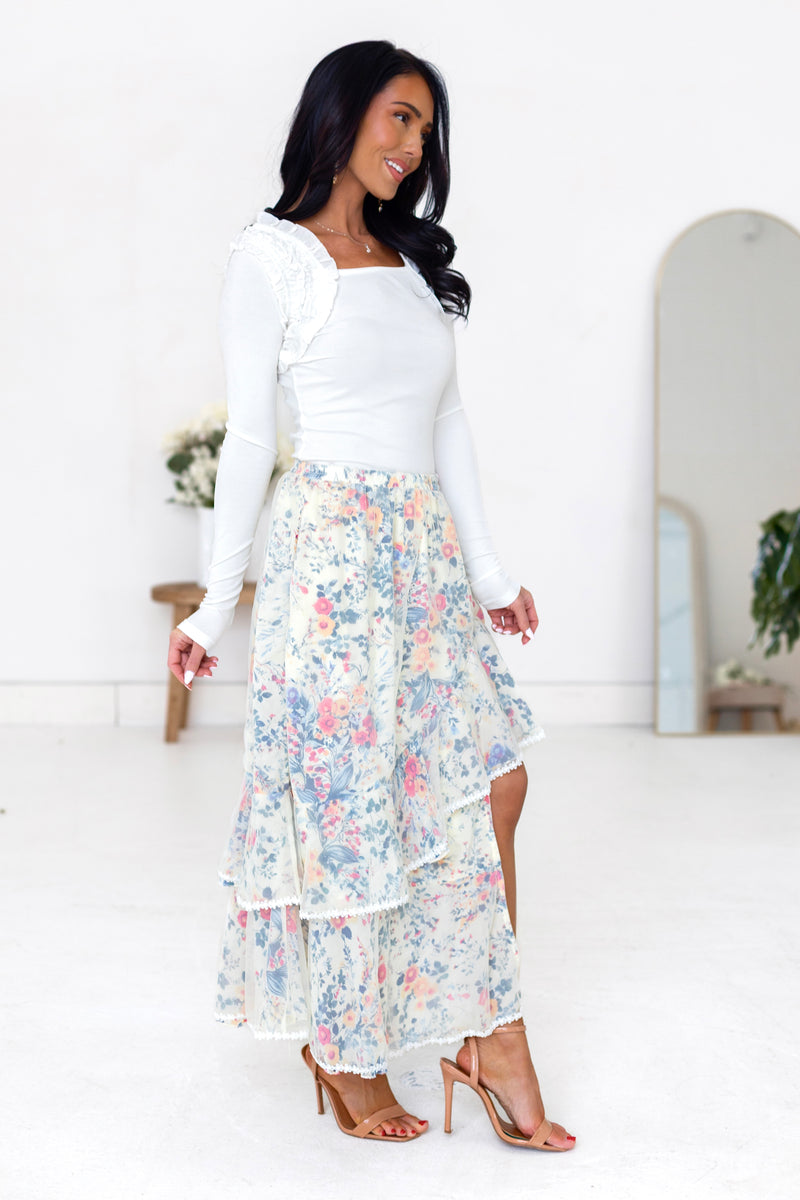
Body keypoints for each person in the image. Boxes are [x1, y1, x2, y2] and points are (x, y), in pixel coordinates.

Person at [167, 39, 575, 1150]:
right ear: (340, 114)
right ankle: (348, 1051)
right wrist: (215, 603)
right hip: (332, 561)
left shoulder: (409, 263)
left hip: (420, 558)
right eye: (400, 117)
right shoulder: (271, 259)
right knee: (353, 812)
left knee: (491, 782)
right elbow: (251, 440)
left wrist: (489, 574)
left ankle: (479, 1028)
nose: (413, 145)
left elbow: (448, 422)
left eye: (426, 129)